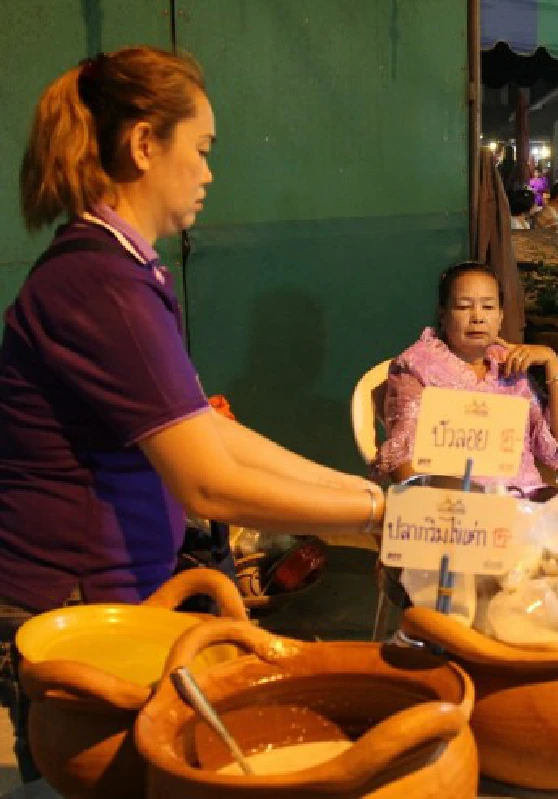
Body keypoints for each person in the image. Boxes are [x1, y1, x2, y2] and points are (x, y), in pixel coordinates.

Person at [0, 47, 387, 784]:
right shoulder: (98, 285)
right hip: (79, 609)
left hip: (120, 592)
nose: (210, 172)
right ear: (145, 144)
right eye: (202, 149)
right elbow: (207, 483)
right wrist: (375, 514)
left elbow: (211, 431)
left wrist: (363, 494)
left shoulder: (123, 270)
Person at [373, 262, 558, 495]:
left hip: (526, 501)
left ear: (500, 317)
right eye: (464, 307)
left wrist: (552, 360)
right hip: (458, 505)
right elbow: (403, 459)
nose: (477, 317)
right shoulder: (417, 367)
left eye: (488, 307)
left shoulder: (508, 364)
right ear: (443, 315)